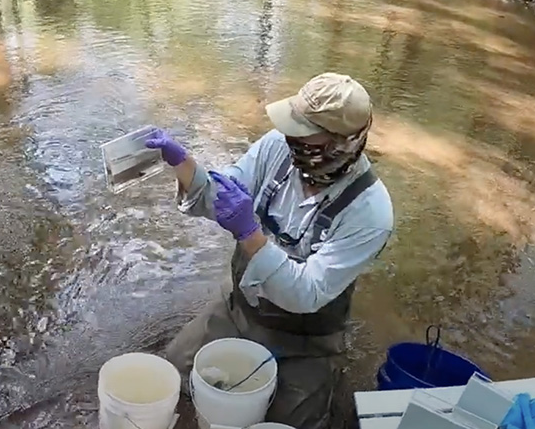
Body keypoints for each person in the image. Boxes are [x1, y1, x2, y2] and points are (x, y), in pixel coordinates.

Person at [145, 72, 394, 429]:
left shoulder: (371, 212)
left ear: (341, 142)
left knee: (288, 423)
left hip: (305, 338)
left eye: (305, 132)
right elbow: (224, 196)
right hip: (240, 307)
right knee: (174, 373)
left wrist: (251, 234)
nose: (292, 137)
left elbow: (307, 294)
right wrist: (185, 166)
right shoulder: (278, 147)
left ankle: (324, 381)